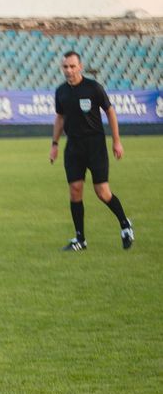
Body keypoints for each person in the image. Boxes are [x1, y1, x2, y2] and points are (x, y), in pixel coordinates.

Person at [52, 51, 132, 252]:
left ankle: (125, 224)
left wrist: (116, 141)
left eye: (72, 66)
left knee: (102, 192)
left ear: (80, 66)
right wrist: (54, 144)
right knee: (75, 190)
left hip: (95, 146)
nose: (69, 70)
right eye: (65, 67)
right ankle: (80, 239)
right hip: (73, 147)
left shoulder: (93, 88)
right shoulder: (60, 91)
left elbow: (110, 111)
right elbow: (60, 118)